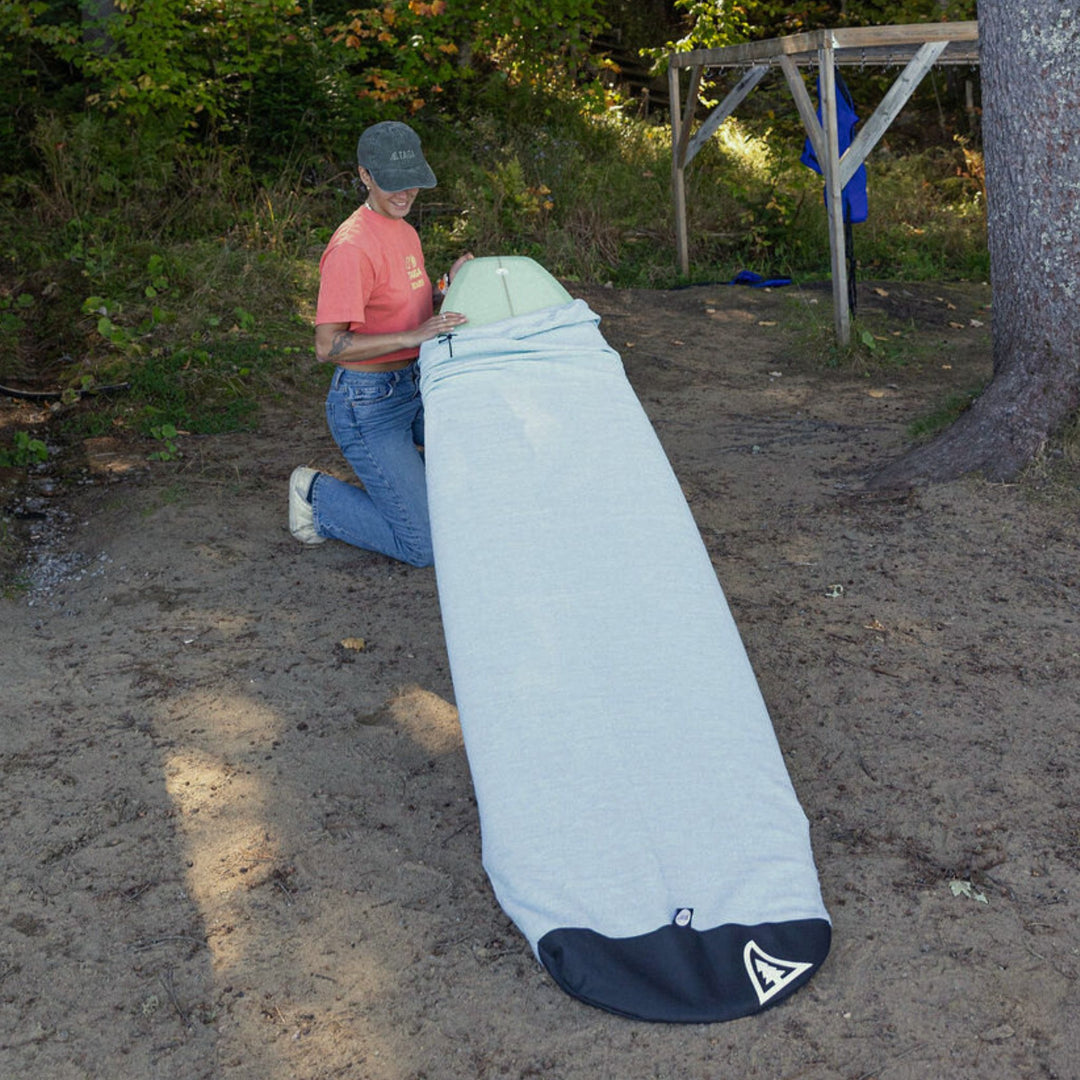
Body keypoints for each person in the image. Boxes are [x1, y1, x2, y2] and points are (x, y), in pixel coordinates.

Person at [289, 121, 473, 565]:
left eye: (412, 182)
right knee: (425, 545)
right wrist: (413, 336)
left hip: (414, 385)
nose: (404, 193)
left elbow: (410, 305)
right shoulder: (352, 248)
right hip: (369, 405)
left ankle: (415, 491)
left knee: (479, 452)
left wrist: (449, 284)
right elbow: (326, 345)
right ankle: (317, 496)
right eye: (392, 183)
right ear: (365, 175)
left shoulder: (404, 230)